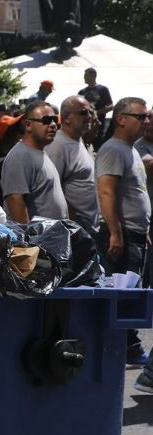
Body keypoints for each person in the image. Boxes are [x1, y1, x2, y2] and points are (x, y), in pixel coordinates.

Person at [95, 97, 153, 378]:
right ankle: (121, 348)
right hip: (124, 235)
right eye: (140, 117)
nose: (146, 121)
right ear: (121, 119)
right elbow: (107, 192)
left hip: (137, 233)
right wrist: (116, 232)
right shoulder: (114, 150)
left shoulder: (129, 150)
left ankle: (127, 345)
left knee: (134, 292)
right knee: (124, 293)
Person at [0, 101, 67, 223]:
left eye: (54, 119)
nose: (53, 125)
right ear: (28, 125)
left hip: (53, 238)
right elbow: (15, 200)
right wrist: (28, 241)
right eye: (46, 120)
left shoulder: (39, 152)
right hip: (38, 240)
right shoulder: (20, 156)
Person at [44, 95, 99, 235]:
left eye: (90, 112)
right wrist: (74, 221)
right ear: (67, 118)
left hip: (89, 227)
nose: (89, 117)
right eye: (83, 112)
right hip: (76, 230)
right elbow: (52, 190)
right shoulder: (58, 146)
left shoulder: (78, 139)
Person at [78, 67, 114, 150]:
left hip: (98, 124)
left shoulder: (103, 89)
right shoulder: (82, 92)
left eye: (86, 75)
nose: (84, 77)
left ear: (93, 75)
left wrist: (96, 112)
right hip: (85, 125)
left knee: (98, 146)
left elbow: (110, 106)